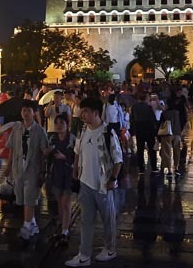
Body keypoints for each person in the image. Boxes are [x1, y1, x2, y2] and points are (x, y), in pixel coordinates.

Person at [65, 97, 122, 267]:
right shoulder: (83, 131)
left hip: (104, 185)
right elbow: (77, 152)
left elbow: (118, 159)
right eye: (82, 111)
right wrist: (75, 170)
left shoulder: (107, 133)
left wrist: (113, 179)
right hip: (85, 184)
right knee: (86, 221)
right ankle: (84, 255)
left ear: (96, 113)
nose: (82, 114)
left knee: (108, 219)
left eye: (86, 111)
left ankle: (110, 249)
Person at [5, 100, 48, 240]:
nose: (26, 114)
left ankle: (27, 227)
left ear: (34, 113)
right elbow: (12, 149)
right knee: (22, 199)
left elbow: (43, 153)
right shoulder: (17, 129)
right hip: (18, 168)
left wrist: (43, 171)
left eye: (29, 111)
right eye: (24, 111)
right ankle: (33, 224)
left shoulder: (39, 131)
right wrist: (8, 166)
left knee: (30, 198)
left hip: (33, 169)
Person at [49, 113, 76, 246]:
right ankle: (62, 226)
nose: (59, 126)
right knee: (59, 203)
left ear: (67, 125)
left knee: (66, 202)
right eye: (57, 123)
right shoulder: (52, 139)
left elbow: (78, 157)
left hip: (69, 173)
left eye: (62, 123)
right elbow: (48, 156)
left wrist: (65, 158)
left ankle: (65, 230)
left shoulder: (72, 139)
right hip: (56, 173)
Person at [131, 93, 158, 174]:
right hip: (149, 129)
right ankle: (154, 167)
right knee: (152, 149)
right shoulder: (148, 107)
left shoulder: (134, 107)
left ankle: (141, 168)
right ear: (146, 98)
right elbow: (153, 119)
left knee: (140, 149)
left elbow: (132, 118)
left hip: (139, 129)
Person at [159, 97, 183, 179]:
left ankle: (169, 170)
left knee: (167, 151)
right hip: (177, 133)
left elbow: (161, 124)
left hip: (167, 134)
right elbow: (183, 121)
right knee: (177, 150)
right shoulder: (178, 112)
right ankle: (176, 167)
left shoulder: (164, 113)